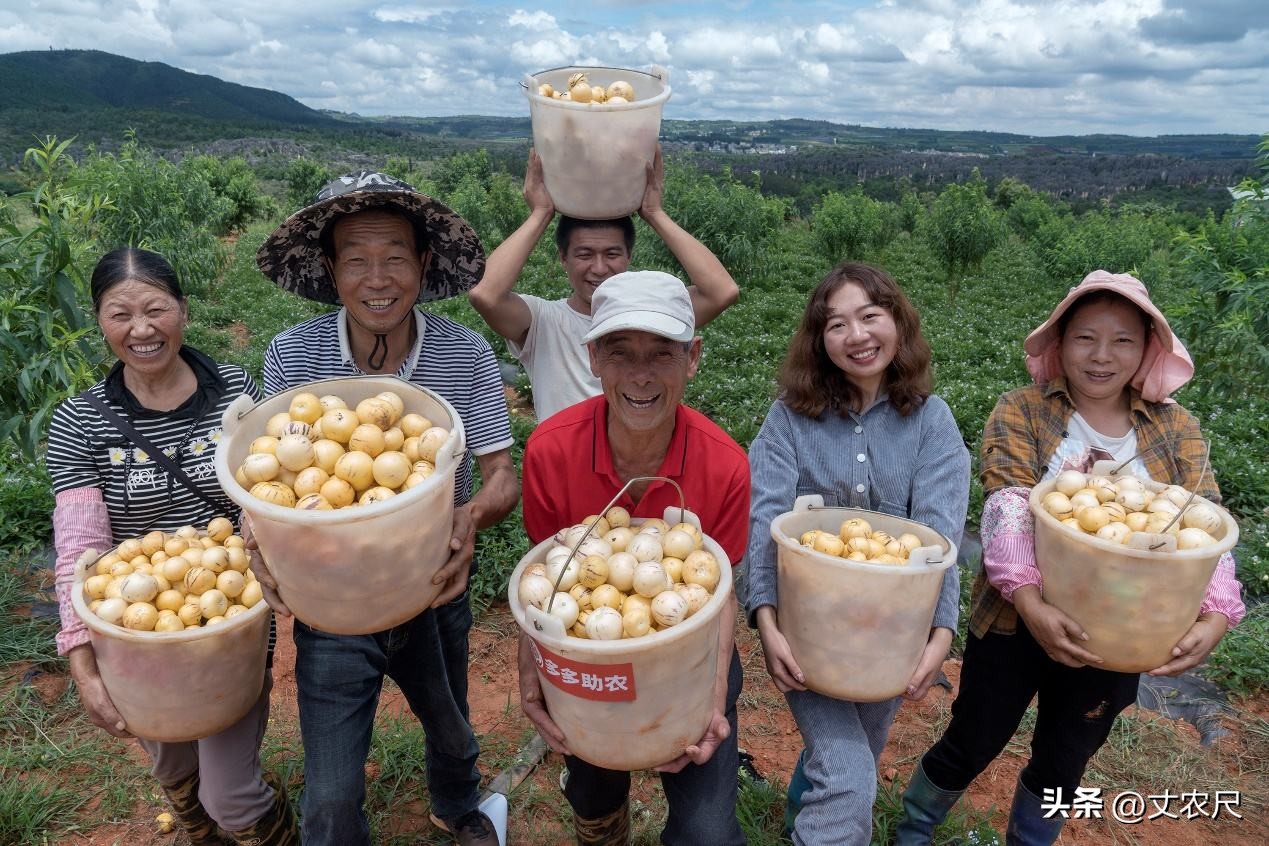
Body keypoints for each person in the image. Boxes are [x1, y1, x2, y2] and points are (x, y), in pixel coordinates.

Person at [896, 270, 1246, 846]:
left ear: (1147, 350)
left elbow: (1206, 520)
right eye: (1085, 337)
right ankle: (914, 829)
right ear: (1060, 344)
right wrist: (1031, 602)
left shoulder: (1177, 427)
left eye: (1123, 340)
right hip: (1014, 623)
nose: (1102, 356)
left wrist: (1216, 613)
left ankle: (1031, 840)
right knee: (975, 737)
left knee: (1068, 757)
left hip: (1121, 635)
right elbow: (1008, 503)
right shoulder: (1022, 411)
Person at [251, 172, 520, 846]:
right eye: (357, 259)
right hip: (333, 599)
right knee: (333, 799)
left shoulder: (462, 354)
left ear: (423, 266)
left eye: (396, 256)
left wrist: (470, 518)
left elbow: (500, 479)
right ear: (330, 269)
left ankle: (458, 804)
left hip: (432, 586)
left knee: (453, 727)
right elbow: (273, 473)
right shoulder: (295, 357)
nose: (379, 278)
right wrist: (259, 541)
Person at [47, 247, 297, 845]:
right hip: (137, 631)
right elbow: (79, 546)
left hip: (229, 621)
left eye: (156, 309)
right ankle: (199, 831)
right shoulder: (79, 422)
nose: (141, 329)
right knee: (174, 771)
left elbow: (263, 498)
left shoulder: (237, 395)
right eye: (119, 314)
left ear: (183, 310)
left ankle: (263, 826)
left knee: (230, 792)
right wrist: (82, 660)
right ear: (99, 322)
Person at [518, 270, 750, 845]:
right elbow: (546, 579)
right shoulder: (550, 450)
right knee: (593, 790)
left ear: (693, 358)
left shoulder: (725, 465)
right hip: (587, 659)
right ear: (593, 357)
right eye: (620, 353)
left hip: (691, 656)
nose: (641, 374)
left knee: (708, 834)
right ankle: (603, 825)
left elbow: (719, 600)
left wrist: (713, 700)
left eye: (663, 354)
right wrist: (533, 672)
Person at [745, 262, 969, 845]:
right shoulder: (788, 420)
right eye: (837, 324)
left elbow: (939, 538)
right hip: (807, 633)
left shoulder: (932, 423)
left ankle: (802, 818)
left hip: (890, 638)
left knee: (856, 760)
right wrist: (766, 621)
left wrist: (940, 636)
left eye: (871, 316)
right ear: (820, 342)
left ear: (897, 323)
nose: (858, 335)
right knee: (849, 778)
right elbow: (764, 519)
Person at [469, 147, 739, 421]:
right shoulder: (543, 321)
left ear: (629, 256)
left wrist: (655, 213)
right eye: (584, 255)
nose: (599, 268)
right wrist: (540, 213)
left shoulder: (653, 315)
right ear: (564, 258)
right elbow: (485, 295)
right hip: (563, 460)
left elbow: (722, 292)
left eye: (612, 254)